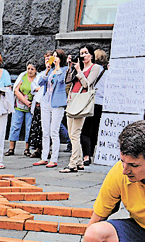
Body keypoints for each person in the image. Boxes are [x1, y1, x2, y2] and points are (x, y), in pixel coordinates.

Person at [61, 45, 103, 173]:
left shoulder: (95, 68)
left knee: (75, 134)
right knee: (71, 134)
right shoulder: (77, 67)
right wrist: (70, 67)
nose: (83, 55)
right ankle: (79, 162)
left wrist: (79, 71)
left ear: (91, 55)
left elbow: (87, 84)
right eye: (81, 53)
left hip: (82, 101)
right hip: (72, 100)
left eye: (86, 53)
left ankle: (73, 163)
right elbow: (67, 81)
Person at [35, 49, 68, 169]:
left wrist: (57, 67)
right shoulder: (50, 71)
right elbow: (40, 82)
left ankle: (54, 158)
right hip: (46, 101)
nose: (54, 59)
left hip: (57, 103)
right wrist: (48, 69)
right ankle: (44, 157)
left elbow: (60, 81)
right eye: (53, 56)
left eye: (56, 57)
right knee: (45, 131)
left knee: (54, 131)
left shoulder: (63, 70)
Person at [80, 48, 109, 165]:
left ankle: (87, 155)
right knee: (94, 129)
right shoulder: (107, 73)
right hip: (101, 103)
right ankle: (91, 153)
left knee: (85, 130)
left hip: (90, 101)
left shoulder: (92, 70)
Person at [6, 62, 37, 157]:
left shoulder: (38, 78)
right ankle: (11, 148)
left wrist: (31, 103)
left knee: (29, 127)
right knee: (15, 126)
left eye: (32, 69)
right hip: (19, 105)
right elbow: (16, 90)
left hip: (31, 107)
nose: (30, 71)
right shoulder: (23, 76)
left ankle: (27, 149)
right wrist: (25, 101)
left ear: (35, 70)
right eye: (28, 69)